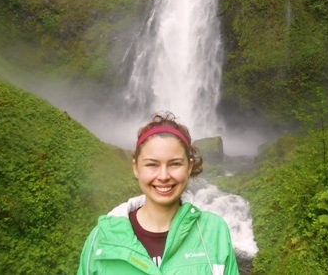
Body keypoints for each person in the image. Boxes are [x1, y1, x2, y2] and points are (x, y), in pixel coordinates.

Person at [77, 112, 239, 274]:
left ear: (189, 167)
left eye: (174, 164)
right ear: (136, 168)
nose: (163, 176)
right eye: (152, 165)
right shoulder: (102, 237)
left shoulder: (214, 232)